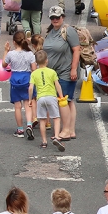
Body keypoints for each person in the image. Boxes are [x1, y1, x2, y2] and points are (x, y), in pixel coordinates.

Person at [45, 9, 81, 138]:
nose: (55, 19)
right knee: (68, 101)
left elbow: (76, 50)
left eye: (57, 17)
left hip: (66, 71)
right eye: (52, 17)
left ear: (63, 17)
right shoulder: (50, 32)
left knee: (63, 100)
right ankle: (71, 130)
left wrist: (73, 69)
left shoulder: (68, 31)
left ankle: (65, 130)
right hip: (55, 73)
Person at [29, 50, 66, 149]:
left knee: (42, 120)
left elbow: (31, 88)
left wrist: (29, 99)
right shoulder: (52, 72)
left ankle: (44, 141)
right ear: (47, 61)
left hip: (40, 98)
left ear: (36, 62)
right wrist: (61, 96)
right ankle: (57, 137)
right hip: (51, 97)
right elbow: (57, 85)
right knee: (56, 117)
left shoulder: (34, 73)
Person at [4, 30, 37, 136]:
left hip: (15, 80)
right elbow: (34, 69)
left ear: (14, 42)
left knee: (17, 106)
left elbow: (4, 65)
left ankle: (19, 129)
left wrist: (5, 51)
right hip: (26, 79)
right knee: (28, 105)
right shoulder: (30, 54)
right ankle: (29, 125)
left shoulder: (11, 54)